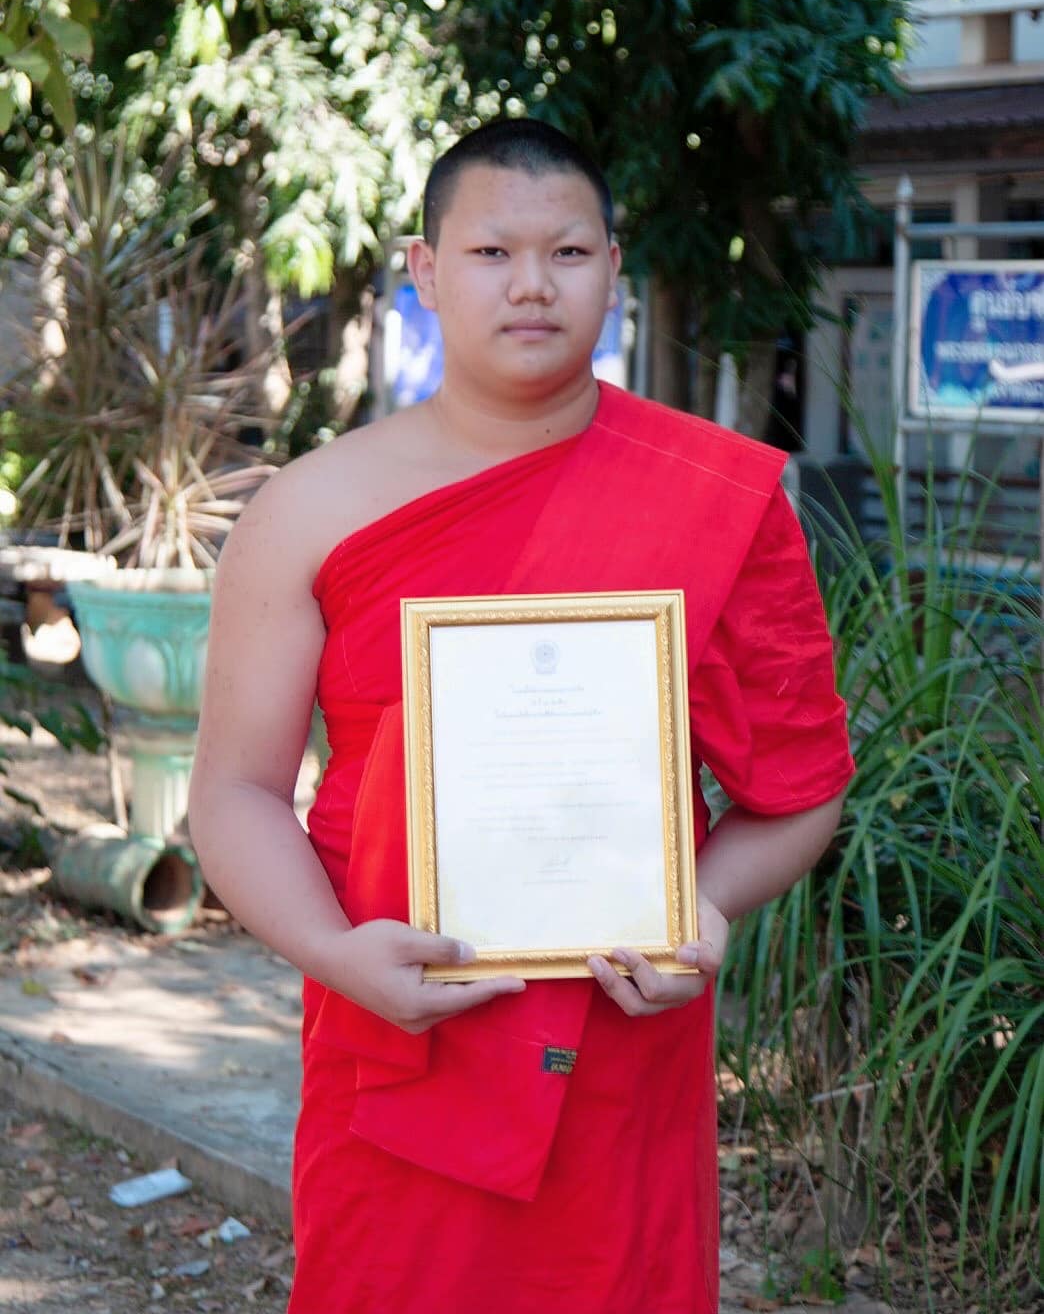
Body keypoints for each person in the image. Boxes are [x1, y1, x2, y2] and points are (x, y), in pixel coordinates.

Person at [187, 118, 854, 1314]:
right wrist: (334, 952)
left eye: (569, 252)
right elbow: (236, 790)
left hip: (623, 1039)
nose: (533, 284)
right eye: (492, 252)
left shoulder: (715, 495)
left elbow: (800, 790)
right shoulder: (311, 508)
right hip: (397, 1031)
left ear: (615, 269)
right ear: (426, 269)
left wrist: (698, 909)